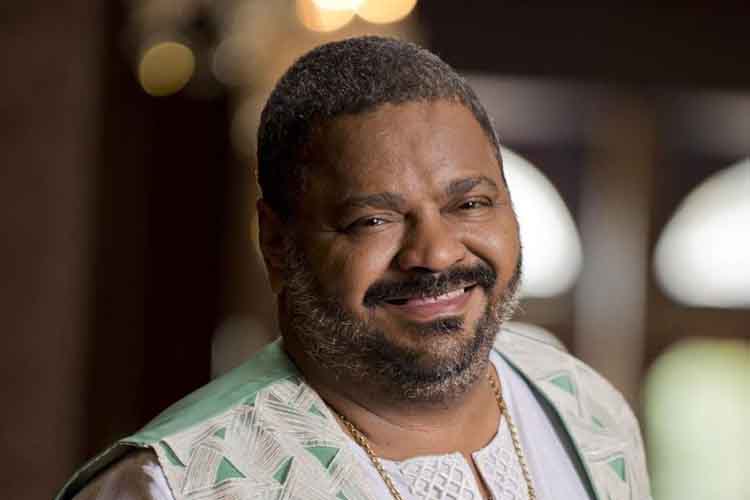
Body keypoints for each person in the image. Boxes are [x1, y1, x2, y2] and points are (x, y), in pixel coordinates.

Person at [57, 36, 652, 500]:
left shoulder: (585, 407)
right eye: (373, 220)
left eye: (470, 204)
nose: (436, 254)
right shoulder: (172, 485)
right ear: (276, 243)